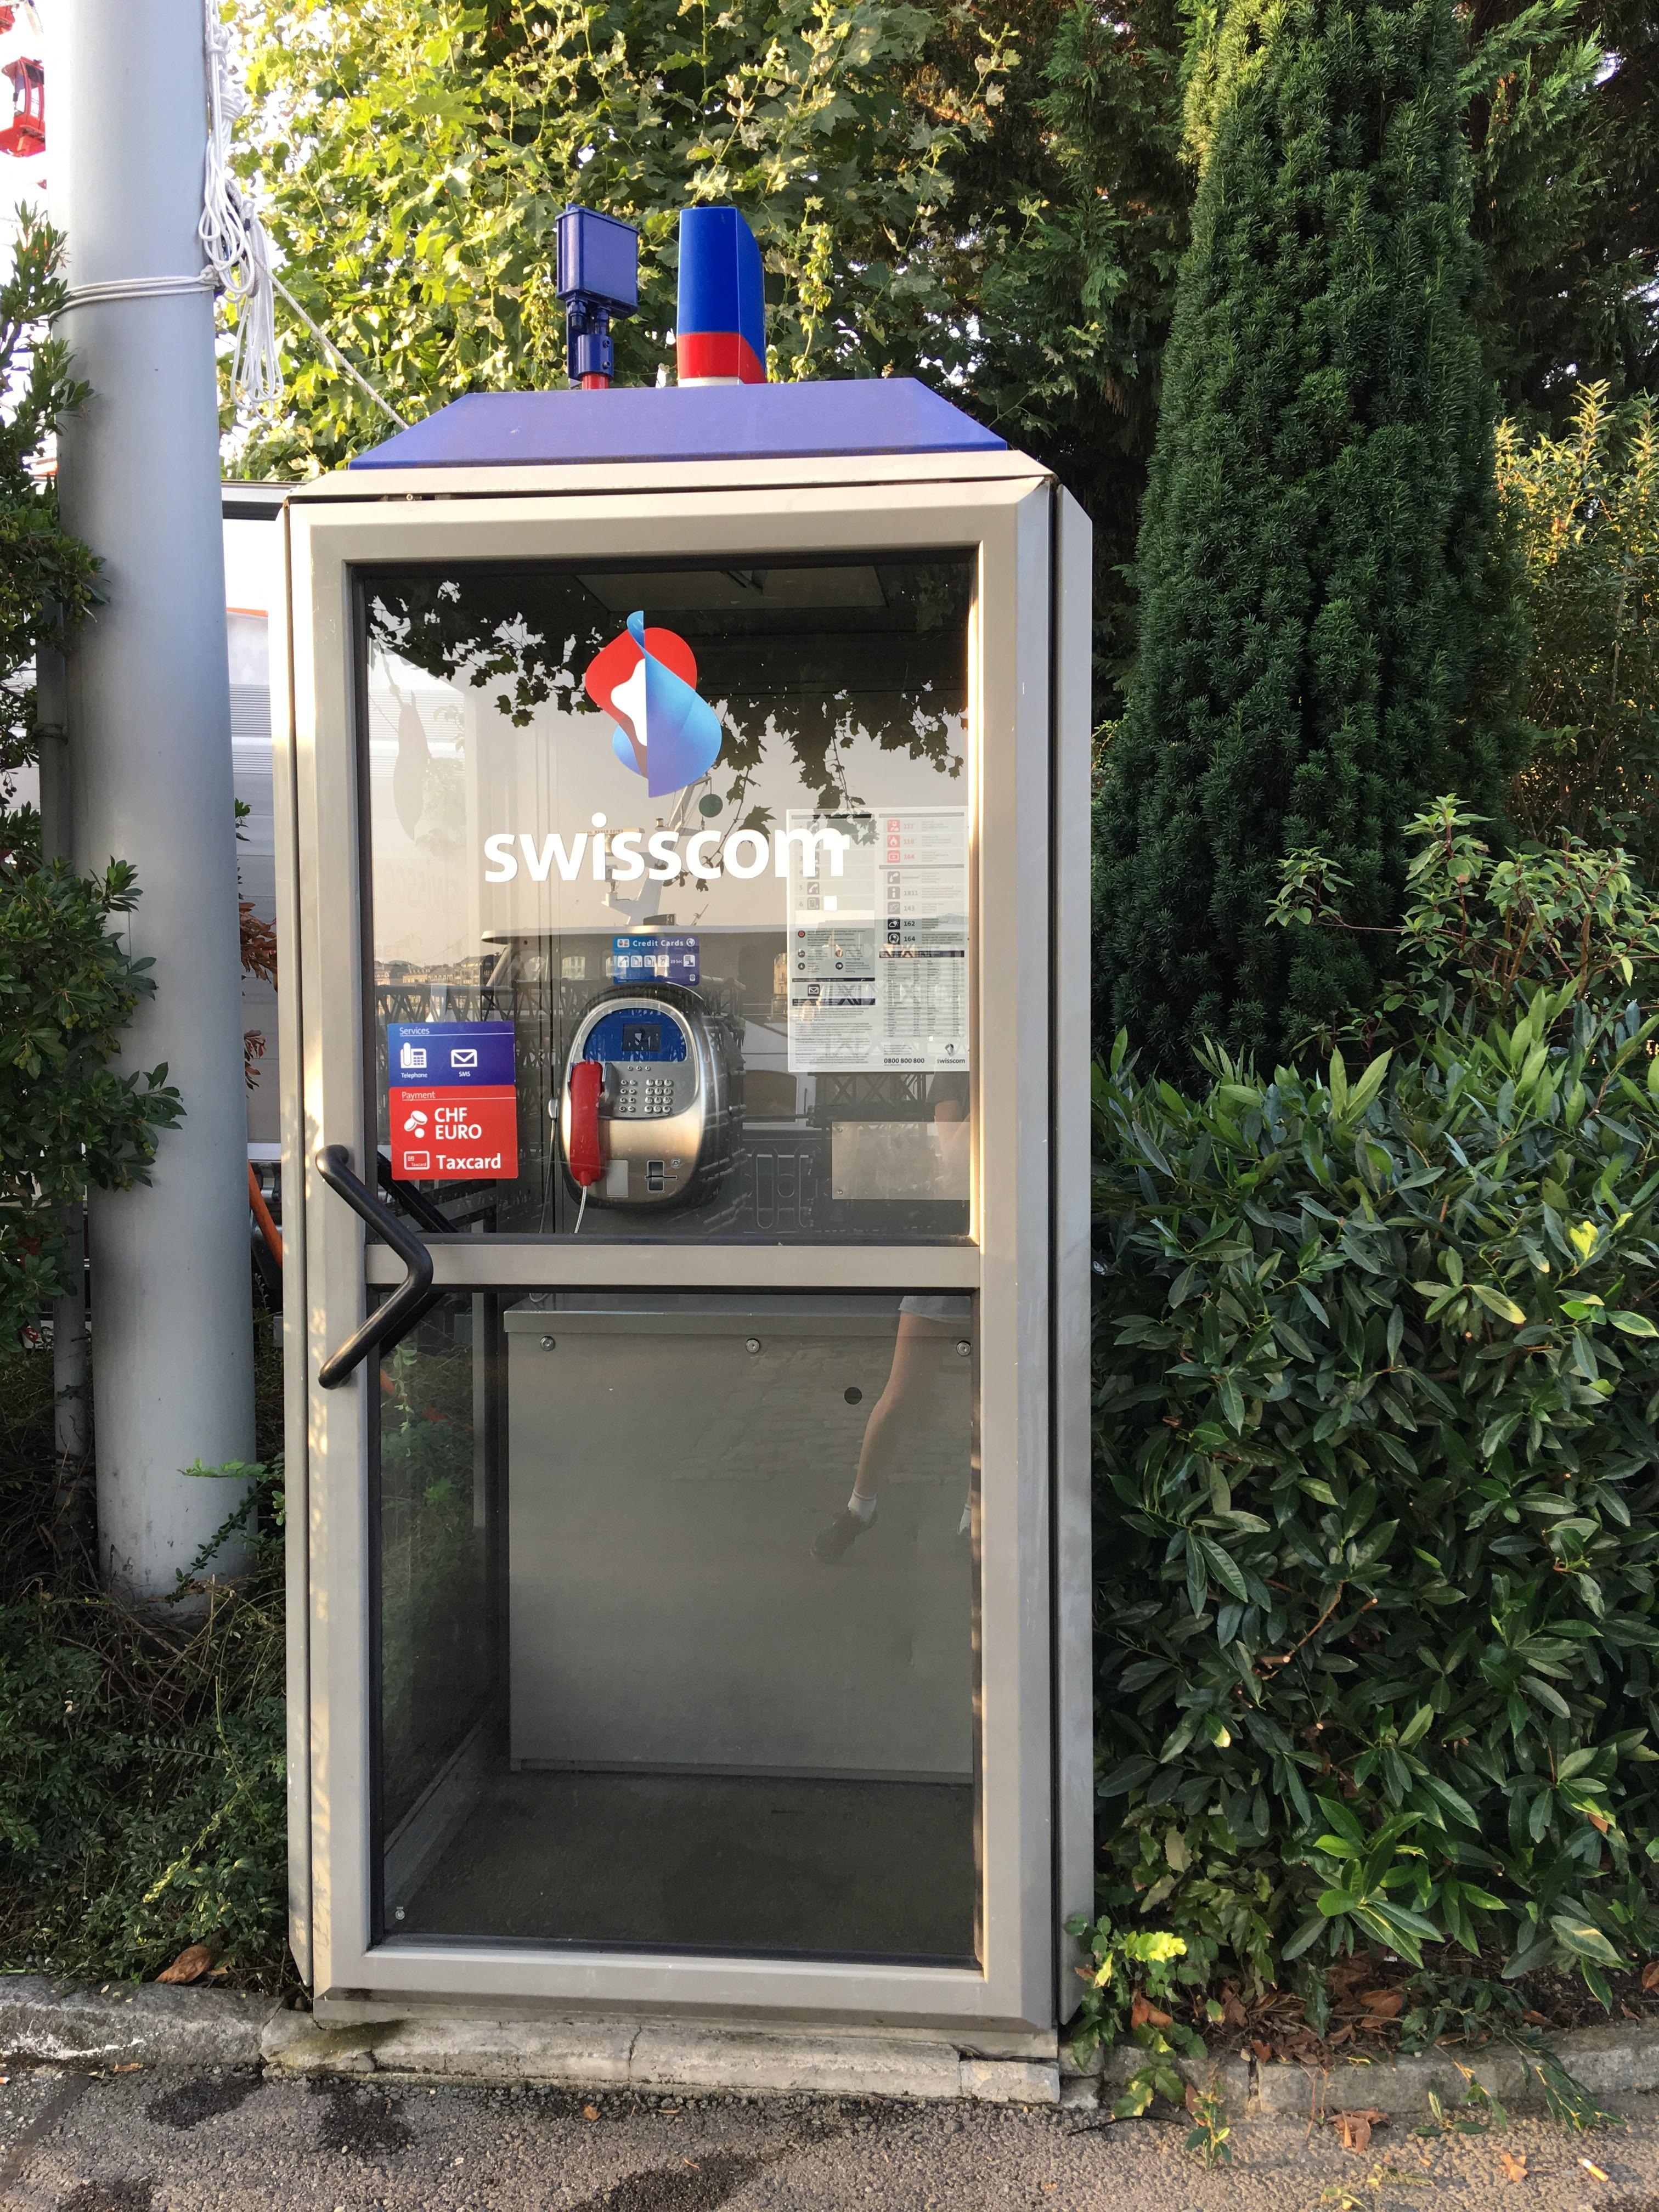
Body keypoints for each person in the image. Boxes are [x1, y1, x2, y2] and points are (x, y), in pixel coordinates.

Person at [813, 1294, 968, 1562]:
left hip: (1005, 1279)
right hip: (940, 1281)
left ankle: (973, 1520)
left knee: (994, 1404)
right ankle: (859, 1509)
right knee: (898, 1398)